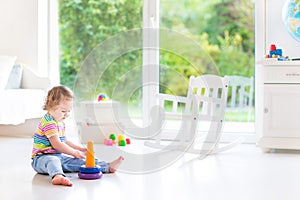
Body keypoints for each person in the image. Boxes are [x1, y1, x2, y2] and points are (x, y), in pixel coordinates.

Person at [31, 86, 124, 186]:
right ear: (51, 107)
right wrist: (73, 152)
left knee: (81, 161)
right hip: (41, 159)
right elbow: (57, 144)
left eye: (69, 111)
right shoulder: (49, 123)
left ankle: (107, 166)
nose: (66, 115)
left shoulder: (60, 122)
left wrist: (78, 148)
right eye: (63, 111)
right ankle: (57, 176)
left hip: (59, 157)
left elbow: (64, 141)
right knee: (53, 160)